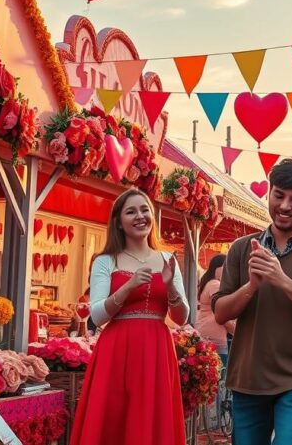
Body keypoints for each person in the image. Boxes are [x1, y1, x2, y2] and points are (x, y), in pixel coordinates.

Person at [212, 159, 292, 445]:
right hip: (248, 378)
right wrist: (252, 285)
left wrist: (282, 279)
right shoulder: (242, 248)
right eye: (279, 195)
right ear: (269, 194)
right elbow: (221, 313)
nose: (284, 206)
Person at [71, 189, 189, 445]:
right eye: (131, 211)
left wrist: (169, 287)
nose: (140, 216)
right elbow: (98, 315)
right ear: (118, 221)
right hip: (116, 350)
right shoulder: (105, 261)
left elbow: (182, 317)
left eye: (145, 209)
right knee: (114, 417)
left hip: (156, 349)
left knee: (151, 417)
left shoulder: (168, 259)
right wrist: (128, 286)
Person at [196, 254, 235, 366]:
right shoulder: (215, 285)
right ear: (217, 268)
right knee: (220, 377)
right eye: (226, 266)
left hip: (206, 333)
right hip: (214, 337)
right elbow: (221, 312)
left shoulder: (209, 283)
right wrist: (235, 330)